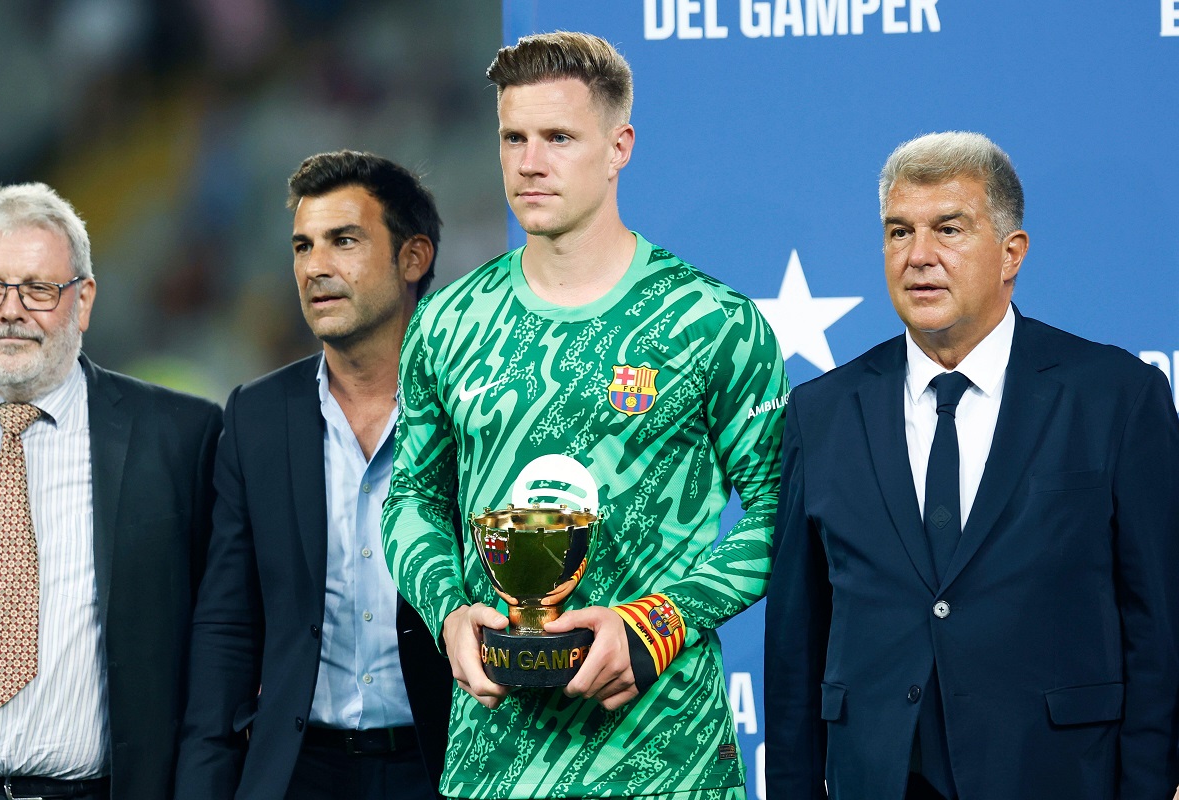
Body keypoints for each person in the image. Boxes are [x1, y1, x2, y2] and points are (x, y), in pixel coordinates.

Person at [381, 31, 787, 800]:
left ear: (618, 146)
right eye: (513, 138)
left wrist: (659, 624)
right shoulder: (446, 324)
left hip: (670, 764)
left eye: (559, 137)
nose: (530, 163)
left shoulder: (710, 322)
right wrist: (449, 615)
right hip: (494, 765)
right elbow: (412, 501)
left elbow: (780, 511)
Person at [764, 131, 1179, 800]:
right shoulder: (823, 412)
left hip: (1054, 774)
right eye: (899, 232)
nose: (918, 256)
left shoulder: (1117, 398)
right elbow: (793, 648)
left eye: (948, 229)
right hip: (879, 777)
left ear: (1011, 253)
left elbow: (1159, 631)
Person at [174, 151, 452, 800]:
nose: (315, 267)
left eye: (343, 241)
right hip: (298, 772)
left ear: (413, 258)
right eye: (302, 246)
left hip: (442, 764)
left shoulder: (474, 409)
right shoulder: (255, 416)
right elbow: (227, 626)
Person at [0, 182, 220, 800]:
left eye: (37, 289)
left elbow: (225, 647)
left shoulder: (181, 439)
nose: (10, 310)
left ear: (82, 301)